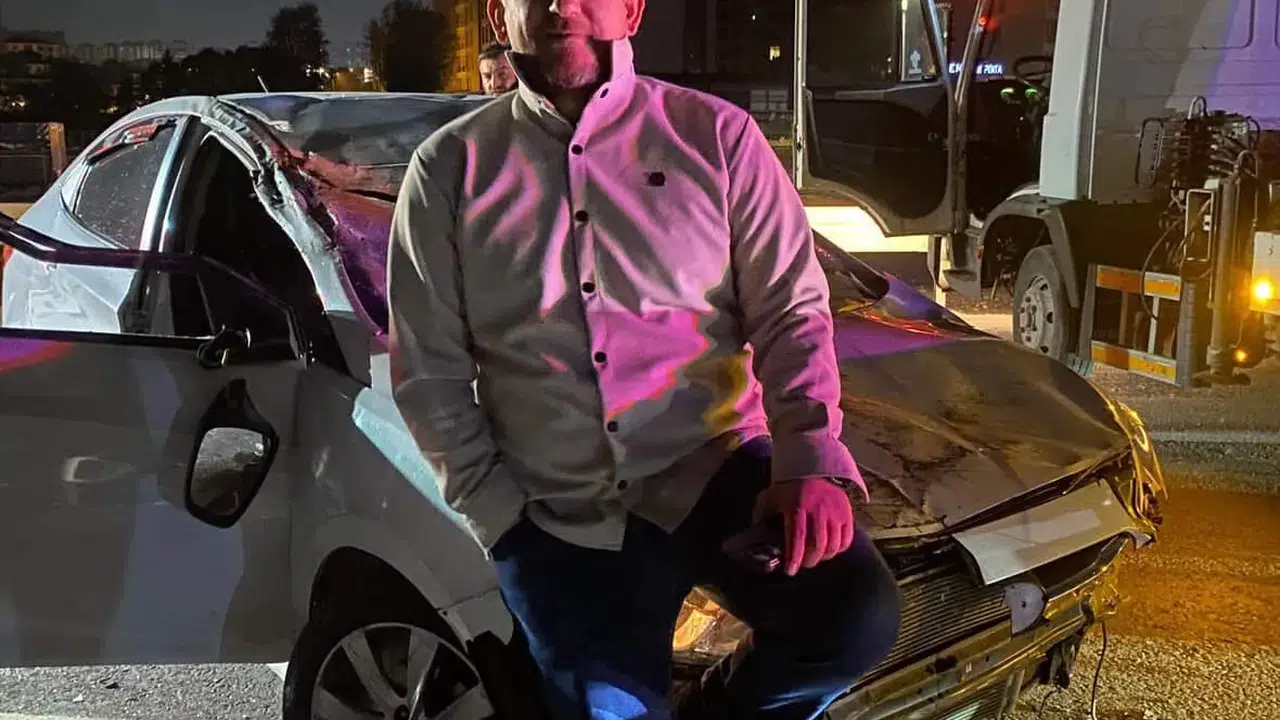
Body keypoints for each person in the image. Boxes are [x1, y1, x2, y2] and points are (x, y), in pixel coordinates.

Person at [386, 0, 902, 717]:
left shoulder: (717, 137)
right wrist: (501, 524)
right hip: (559, 510)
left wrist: (808, 460)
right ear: (501, 19)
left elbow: (790, 309)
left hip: (715, 467)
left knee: (852, 619)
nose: (561, 6)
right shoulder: (448, 170)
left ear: (631, 11)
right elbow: (428, 371)